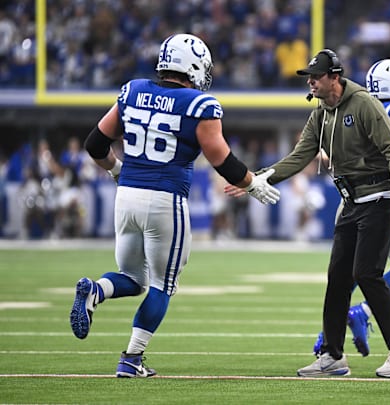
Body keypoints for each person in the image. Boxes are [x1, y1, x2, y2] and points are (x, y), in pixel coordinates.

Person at [69, 33, 280, 378]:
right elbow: (221, 160)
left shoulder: (133, 90)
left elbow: (95, 144)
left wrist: (118, 170)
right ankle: (132, 359)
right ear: (193, 67)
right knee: (162, 285)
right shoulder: (200, 105)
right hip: (166, 199)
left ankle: (96, 290)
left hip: (127, 197)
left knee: (132, 278)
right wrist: (252, 183)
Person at [235, 49, 390, 378]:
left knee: (368, 273)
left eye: (315, 77)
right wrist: (258, 177)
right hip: (352, 201)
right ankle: (332, 356)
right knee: (338, 279)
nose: (310, 82)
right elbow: (300, 155)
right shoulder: (322, 112)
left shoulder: (364, 103)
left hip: (379, 197)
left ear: (334, 78)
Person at [310, 58, 390, 357]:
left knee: (343, 275)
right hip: (381, 197)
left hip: (349, 197)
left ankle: (327, 340)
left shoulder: (353, 106)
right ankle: (364, 315)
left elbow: (329, 157)